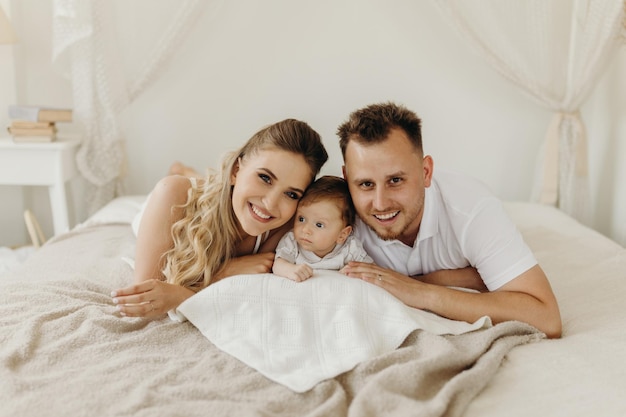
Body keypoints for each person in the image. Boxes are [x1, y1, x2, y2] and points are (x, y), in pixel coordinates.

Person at [337, 102, 562, 338]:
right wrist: (460, 278)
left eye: (395, 181)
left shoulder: (472, 209)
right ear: (346, 177)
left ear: (426, 172)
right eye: (365, 184)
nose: (380, 203)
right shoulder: (334, 213)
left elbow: (547, 319)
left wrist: (422, 291)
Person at [111, 119, 329, 318]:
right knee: (195, 187)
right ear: (236, 169)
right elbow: (147, 299)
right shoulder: (172, 194)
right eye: (265, 178)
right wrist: (225, 272)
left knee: (227, 192)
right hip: (182, 204)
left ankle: (192, 172)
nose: (271, 204)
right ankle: (185, 172)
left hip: (227, 196)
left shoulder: (285, 225)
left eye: (291, 194)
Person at [272, 175, 373, 282]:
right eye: (301, 219)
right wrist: (290, 270)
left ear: (342, 235)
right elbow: (278, 265)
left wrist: (353, 271)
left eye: (319, 225)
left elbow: (370, 270)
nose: (305, 230)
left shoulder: (350, 248)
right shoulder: (292, 242)